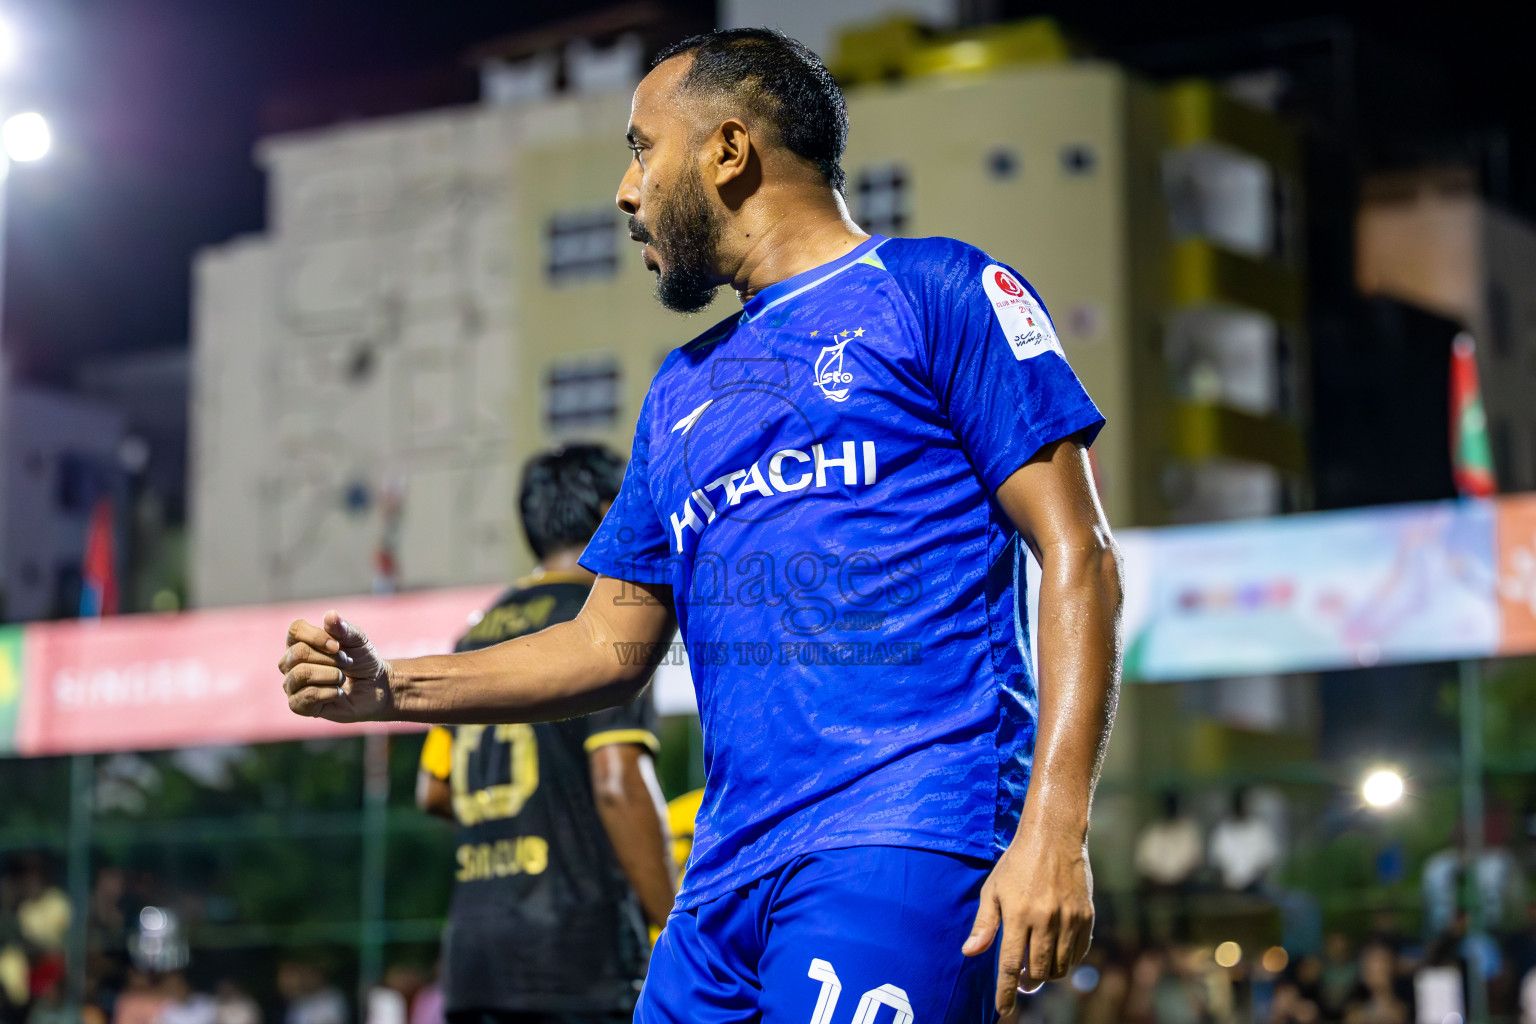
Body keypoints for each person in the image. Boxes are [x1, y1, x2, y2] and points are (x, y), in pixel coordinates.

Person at [281, 27, 1122, 1022]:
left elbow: (1079, 551)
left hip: (899, 840)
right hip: (720, 890)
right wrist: (388, 686)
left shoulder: (939, 291)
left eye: (642, 147)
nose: (627, 191)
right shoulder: (679, 391)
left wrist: (1055, 829)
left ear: (727, 151)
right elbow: (604, 643)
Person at [414, 444, 677, 1024]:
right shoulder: (604, 624)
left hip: (475, 959)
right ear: (615, 510)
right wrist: (677, 926)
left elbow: (432, 790)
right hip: (578, 955)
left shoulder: (476, 634)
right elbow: (617, 782)